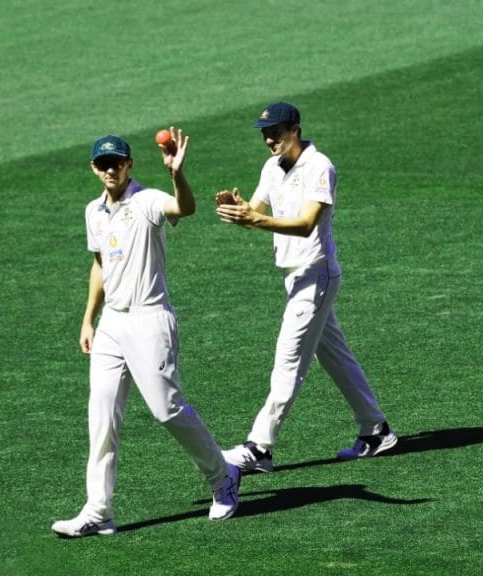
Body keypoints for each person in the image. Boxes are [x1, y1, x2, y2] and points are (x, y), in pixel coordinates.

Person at [52, 132, 240, 538]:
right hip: (111, 326)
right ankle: (99, 510)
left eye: (116, 163)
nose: (110, 170)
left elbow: (184, 208)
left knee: (166, 410)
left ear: (129, 165)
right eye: (103, 164)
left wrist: (178, 173)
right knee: (101, 417)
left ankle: (223, 475)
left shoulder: (147, 200)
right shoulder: (94, 212)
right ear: (93, 169)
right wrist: (89, 319)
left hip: (150, 320)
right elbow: (100, 265)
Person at [215, 102, 396, 472]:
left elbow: (306, 223)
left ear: (295, 129)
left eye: (276, 132)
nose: (269, 139)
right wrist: (240, 210)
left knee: (288, 359)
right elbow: (257, 212)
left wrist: (256, 218)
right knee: (335, 357)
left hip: (316, 273)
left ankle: (260, 447)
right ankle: (376, 430)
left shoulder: (319, 167)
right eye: (265, 133)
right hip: (293, 276)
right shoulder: (271, 167)